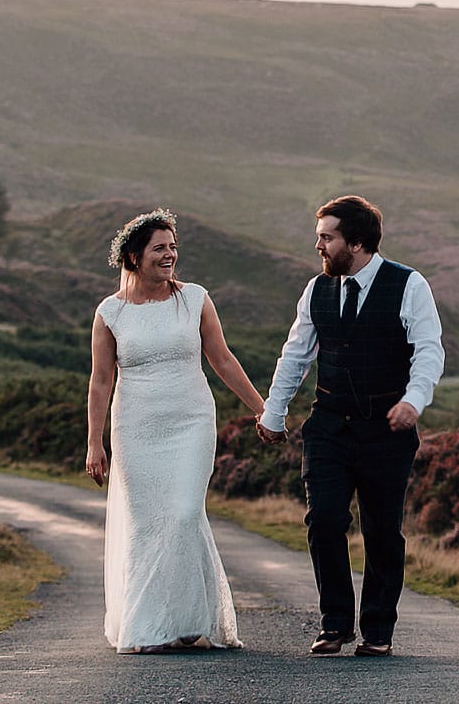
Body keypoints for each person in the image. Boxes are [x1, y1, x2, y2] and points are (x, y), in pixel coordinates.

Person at [257, 195, 446, 657]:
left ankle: (378, 629)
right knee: (323, 521)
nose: (317, 245)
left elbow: (429, 351)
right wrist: (273, 412)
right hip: (328, 427)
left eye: (326, 237)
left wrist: (412, 401)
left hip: (387, 431)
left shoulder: (408, 285)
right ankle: (335, 624)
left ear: (356, 243)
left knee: (382, 531)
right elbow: (296, 356)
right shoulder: (316, 290)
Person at [86, 208, 268, 654]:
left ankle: (188, 618)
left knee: (185, 514)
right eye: (159, 248)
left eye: (173, 247)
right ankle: (152, 627)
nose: (170, 255)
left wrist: (264, 410)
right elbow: (101, 381)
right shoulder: (110, 313)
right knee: (148, 524)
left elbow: (222, 359)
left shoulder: (196, 299)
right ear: (133, 256)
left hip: (190, 422)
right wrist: (95, 442)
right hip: (136, 430)